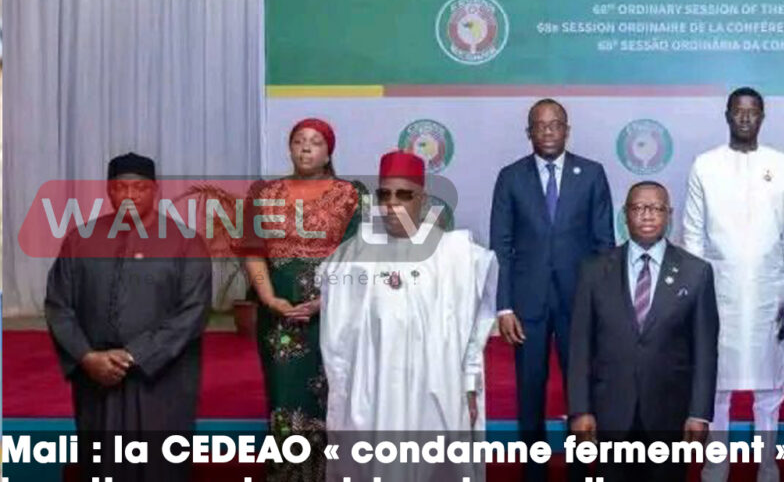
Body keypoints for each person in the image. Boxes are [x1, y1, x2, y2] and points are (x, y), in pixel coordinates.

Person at [320, 151, 498, 480]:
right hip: (374, 390)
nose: (392, 204)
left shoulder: (454, 255)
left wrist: (470, 384)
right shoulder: (354, 255)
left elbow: (474, 328)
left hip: (435, 387)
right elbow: (338, 334)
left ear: (422, 199)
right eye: (384, 194)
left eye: (403, 195)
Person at [46, 152, 212, 481]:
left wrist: (136, 355)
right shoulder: (81, 239)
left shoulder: (184, 241)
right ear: (109, 191)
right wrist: (87, 357)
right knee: (101, 464)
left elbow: (193, 311)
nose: (130, 196)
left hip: (162, 379)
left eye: (140, 188)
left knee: (160, 464)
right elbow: (58, 305)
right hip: (97, 377)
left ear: (155, 190)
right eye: (121, 188)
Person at [489, 99, 615, 482]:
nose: (547, 131)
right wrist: (504, 307)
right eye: (539, 125)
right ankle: (534, 472)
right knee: (530, 392)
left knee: (581, 392)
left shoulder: (591, 174)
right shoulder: (511, 177)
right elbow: (501, 247)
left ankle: (579, 471)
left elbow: (604, 245)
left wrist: (602, 305)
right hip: (527, 305)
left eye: (555, 124)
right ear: (529, 132)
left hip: (579, 303)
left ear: (567, 130)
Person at [684, 86, 784, 482]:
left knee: (769, 390)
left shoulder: (782, 165)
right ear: (727, 115)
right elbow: (693, 236)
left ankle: (767, 463)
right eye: (739, 110)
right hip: (718, 294)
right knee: (716, 387)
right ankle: (716, 462)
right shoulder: (705, 165)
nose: (746, 117)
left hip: (770, 293)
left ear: (762, 117)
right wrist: (697, 296)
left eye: (753, 111)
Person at [567, 181, 719, 481]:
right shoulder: (594, 271)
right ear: (625, 214)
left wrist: (699, 413)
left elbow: (705, 351)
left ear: (669, 214)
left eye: (656, 208)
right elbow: (580, 346)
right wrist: (580, 409)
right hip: (610, 412)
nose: (647, 215)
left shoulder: (696, 272)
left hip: (670, 414)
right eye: (638, 208)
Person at [240, 118, 365, 482]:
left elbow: (358, 255)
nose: (306, 148)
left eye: (315, 142)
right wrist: (269, 298)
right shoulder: (264, 194)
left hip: (334, 315)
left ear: (328, 153)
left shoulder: (350, 195)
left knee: (334, 397)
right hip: (279, 318)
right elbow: (252, 251)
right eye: (298, 141)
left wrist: (325, 300)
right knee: (285, 397)